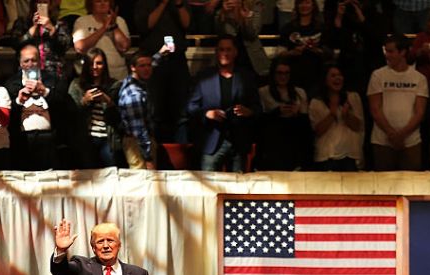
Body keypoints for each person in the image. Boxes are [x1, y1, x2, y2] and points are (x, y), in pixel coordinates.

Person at [186, 34, 260, 172]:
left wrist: (248, 112)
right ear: (216, 52)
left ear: (235, 52)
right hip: (211, 142)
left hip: (238, 142)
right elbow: (191, 106)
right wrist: (207, 114)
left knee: (237, 190)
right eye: (221, 49)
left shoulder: (246, 77)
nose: (224, 53)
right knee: (208, 189)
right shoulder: (204, 76)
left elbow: (258, 108)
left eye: (228, 49)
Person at [367, 34, 427, 171]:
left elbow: (420, 112)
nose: (387, 55)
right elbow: (375, 108)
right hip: (382, 141)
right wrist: (391, 134)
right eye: (385, 51)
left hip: (411, 142)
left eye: (391, 51)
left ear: (403, 52)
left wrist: (402, 135)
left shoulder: (419, 78)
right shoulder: (378, 75)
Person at [134, 0, 191, 143]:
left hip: (177, 61)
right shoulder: (144, 3)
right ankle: (157, 153)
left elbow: (187, 24)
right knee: (155, 111)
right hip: (153, 61)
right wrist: (163, 3)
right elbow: (145, 25)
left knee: (181, 112)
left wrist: (178, 5)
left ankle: (180, 156)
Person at [5, 43, 68, 170]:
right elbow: (7, 113)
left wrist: (45, 91)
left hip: (49, 140)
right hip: (22, 141)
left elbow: (65, 105)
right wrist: (19, 100)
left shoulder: (53, 79)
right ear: (20, 63)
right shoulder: (11, 83)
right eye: (26, 61)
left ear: (40, 61)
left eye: (34, 60)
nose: (30, 64)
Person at [255, 54, 312, 170]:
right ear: (273, 74)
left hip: (293, 145)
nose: (283, 76)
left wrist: (298, 113)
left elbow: (307, 125)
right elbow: (259, 122)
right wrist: (276, 112)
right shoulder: (263, 92)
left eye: (286, 73)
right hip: (272, 146)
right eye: (280, 73)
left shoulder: (299, 93)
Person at [68, 48, 122, 168]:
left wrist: (108, 101)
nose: (95, 67)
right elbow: (70, 114)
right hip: (86, 138)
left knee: (111, 171)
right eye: (91, 63)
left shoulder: (114, 85)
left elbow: (121, 116)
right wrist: (84, 101)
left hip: (108, 137)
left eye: (99, 63)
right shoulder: (77, 85)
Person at [309, 62, 364, 170]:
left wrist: (346, 115)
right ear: (325, 79)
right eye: (333, 76)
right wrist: (332, 113)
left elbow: (358, 126)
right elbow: (318, 131)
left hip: (349, 155)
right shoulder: (316, 102)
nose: (337, 78)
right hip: (326, 156)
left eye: (340, 75)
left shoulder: (353, 97)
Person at [11, 0, 74, 92]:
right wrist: (32, 29)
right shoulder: (22, 23)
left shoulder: (59, 24)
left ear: (50, 4)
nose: (41, 5)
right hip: (27, 73)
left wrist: (52, 29)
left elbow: (66, 44)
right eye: (38, 2)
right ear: (33, 4)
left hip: (54, 74)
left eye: (45, 2)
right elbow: (15, 43)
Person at [73, 0, 130, 82]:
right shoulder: (82, 21)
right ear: (91, 4)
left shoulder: (119, 21)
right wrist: (104, 28)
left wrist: (114, 26)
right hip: (91, 77)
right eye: (98, 1)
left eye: (106, 1)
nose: (103, 4)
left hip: (118, 76)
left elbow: (124, 47)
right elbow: (80, 48)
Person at [117, 50, 157, 169]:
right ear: (133, 68)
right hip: (137, 145)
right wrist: (148, 157)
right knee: (142, 180)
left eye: (149, 65)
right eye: (142, 66)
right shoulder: (134, 94)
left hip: (140, 141)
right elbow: (139, 130)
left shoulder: (131, 81)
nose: (147, 69)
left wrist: (160, 54)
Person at [278, 0, 329, 90]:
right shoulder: (288, 28)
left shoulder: (322, 28)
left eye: (307, 2)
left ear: (313, 6)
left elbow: (329, 53)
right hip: (294, 75)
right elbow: (280, 53)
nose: (304, 6)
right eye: (301, 3)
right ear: (297, 6)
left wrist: (316, 50)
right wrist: (292, 52)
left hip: (316, 75)